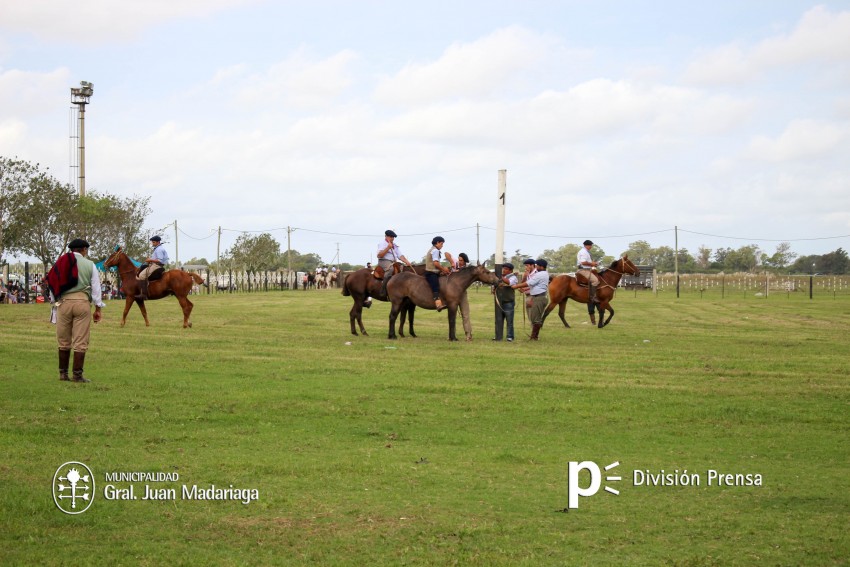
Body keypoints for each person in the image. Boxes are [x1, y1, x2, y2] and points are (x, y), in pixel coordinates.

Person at [55, 238, 105, 382]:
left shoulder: (61, 262)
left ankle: (63, 374)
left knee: (63, 340)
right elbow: (96, 289)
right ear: (83, 250)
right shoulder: (90, 265)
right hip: (82, 302)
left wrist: (55, 301)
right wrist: (98, 309)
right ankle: (77, 375)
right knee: (80, 340)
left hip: (64, 302)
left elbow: (52, 281)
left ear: (71, 250)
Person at [365, 229, 412, 307]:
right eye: (391, 237)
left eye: (393, 237)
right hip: (384, 261)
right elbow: (379, 255)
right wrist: (387, 248)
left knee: (403, 270)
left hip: (393, 262)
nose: (392, 238)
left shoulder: (395, 245)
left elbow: (400, 255)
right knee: (390, 270)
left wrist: (406, 261)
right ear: (386, 236)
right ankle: (383, 291)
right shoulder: (382, 244)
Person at [512, 258, 549, 340]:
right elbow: (533, 286)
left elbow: (529, 283)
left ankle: (534, 337)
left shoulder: (540, 274)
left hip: (538, 297)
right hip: (536, 296)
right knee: (533, 317)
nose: (536, 267)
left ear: (542, 267)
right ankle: (534, 336)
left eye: (537, 265)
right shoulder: (542, 274)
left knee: (536, 318)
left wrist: (515, 286)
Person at [136, 235, 170, 300]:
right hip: (154, 264)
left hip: (156, 265)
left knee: (141, 275)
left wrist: (150, 260)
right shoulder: (157, 248)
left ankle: (144, 294)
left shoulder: (159, 249)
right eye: (152, 242)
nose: (152, 243)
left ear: (158, 242)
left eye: (153, 242)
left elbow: (159, 260)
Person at [449, 252, 473, 341]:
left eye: (461, 260)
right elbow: (447, 254)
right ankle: (452, 335)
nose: (459, 262)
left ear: (465, 261)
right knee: (452, 315)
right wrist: (451, 261)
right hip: (452, 293)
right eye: (459, 260)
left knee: (465, 314)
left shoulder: (467, 271)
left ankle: (468, 334)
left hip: (462, 294)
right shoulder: (455, 265)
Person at [424, 236, 451, 311]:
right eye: (441, 244)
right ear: (437, 243)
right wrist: (443, 269)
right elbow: (436, 263)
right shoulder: (435, 250)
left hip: (434, 271)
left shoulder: (432, 249)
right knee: (435, 286)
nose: (442, 246)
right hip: (431, 272)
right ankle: (438, 304)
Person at [492, 262, 517, 341]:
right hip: (500, 301)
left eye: (506, 269)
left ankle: (510, 336)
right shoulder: (501, 277)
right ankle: (498, 335)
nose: (504, 270)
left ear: (510, 270)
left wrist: (500, 278)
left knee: (509, 321)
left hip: (508, 301)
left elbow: (509, 282)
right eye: (503, 268)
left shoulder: (513, 277)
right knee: (498, 320)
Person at [577, 239, 600, 303]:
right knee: (595, 281)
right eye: (590, 245)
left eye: (591, 245)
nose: (591, 246)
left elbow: (588, 262)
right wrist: (592, 264)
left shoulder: (586, 251)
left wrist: (594, 264)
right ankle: (592, 297)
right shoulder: (583, 252)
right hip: (583, 270)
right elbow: (583, 262)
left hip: (587, 269)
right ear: (586, 245)